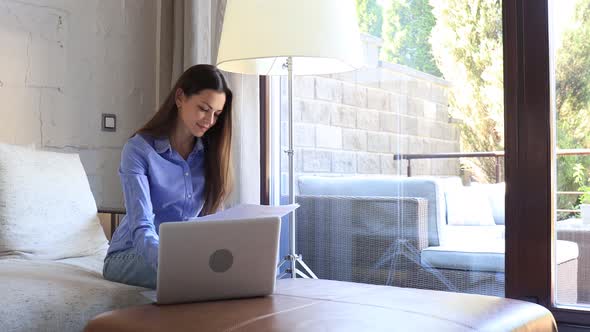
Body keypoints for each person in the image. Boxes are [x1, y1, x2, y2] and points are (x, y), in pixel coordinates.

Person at [103, 64, 233, 289]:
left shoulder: (210, 155)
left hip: (184, 255)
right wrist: (174, 263)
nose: (210, 121)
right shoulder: (139, 150)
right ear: (180, 97)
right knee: (198, 279)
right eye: (204, 108)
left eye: (217, 114)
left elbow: (213, 223)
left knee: (234, 277)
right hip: (130, 254)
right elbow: (141, 226)